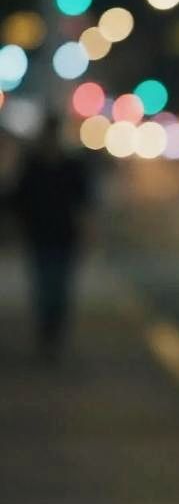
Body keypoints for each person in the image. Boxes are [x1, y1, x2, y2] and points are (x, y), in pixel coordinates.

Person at [10, 110, 94, 360]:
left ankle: (54, 334)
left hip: (65, 238)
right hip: (39, 238)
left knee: (60, 289)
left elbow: (84, 202)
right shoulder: (32, 165)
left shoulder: (71, 166)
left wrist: (88, 231)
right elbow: (19, 200)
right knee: (45, 288)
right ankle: (46, 334)